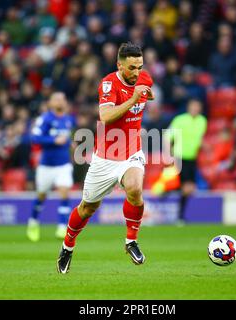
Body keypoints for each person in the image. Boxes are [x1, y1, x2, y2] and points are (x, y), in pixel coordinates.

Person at [56, 42, 154, 274]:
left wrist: (147, 94)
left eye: (140, 67)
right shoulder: (108, 83)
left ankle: (131, 241)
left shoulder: (144, 78)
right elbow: (106, 116)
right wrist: (133, 99)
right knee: (87, 207)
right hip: (105, 157)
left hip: (131, 151)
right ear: (119, 65)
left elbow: (148, 93)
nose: (137, 73)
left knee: (135, 188)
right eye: (132, 68)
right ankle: (67, 246)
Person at [27, 92, 75, 241]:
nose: (60, 101)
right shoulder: (45, 119)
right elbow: (35, 138)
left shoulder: (68, 120)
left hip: (63, 164)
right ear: (51, 103)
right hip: (46, 165)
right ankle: (33, 221)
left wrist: (70, 144)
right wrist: (54, 140)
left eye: (62, 99)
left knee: (65, 192)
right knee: (41, 195)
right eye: (57, 99)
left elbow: (66, 139)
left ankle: (62, 226)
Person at [164, 99, 207, 225]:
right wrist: (168, 154)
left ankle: (179, 214)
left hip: (193, 158)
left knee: (189, 188)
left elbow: (198, 139)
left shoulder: (202, 121)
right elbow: (167, 137)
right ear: (189, 108)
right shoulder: (180, 120)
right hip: (180, 157)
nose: (195, 109)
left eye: (197, 107)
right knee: (187, 187)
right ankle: (180, 216)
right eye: (193, 106)